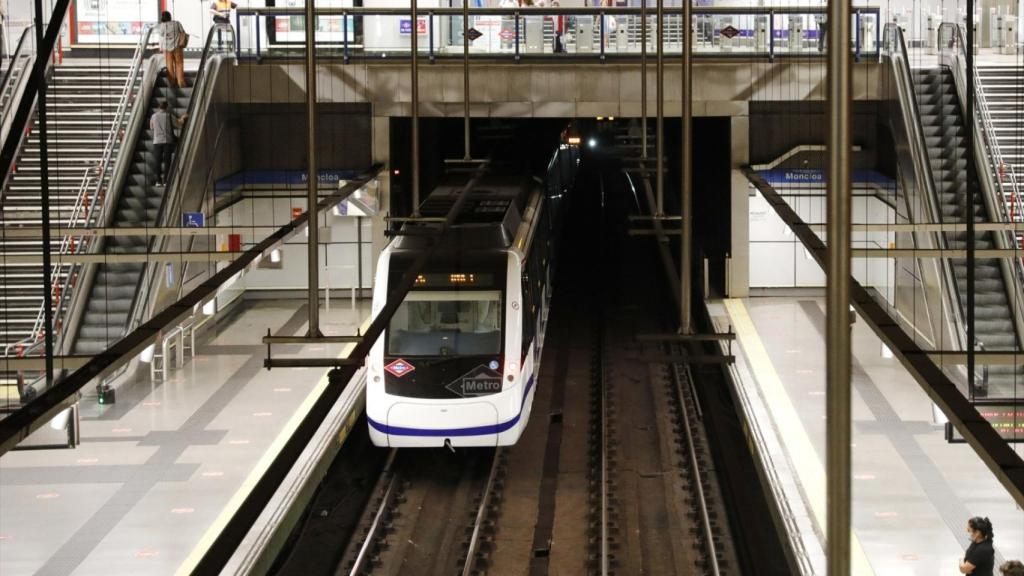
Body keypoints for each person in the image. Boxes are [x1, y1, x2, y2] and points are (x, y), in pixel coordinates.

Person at [150, 101, 185, 187]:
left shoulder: (153, 116)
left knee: (157, 161)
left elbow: (151, 127)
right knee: (167, 161)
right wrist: (183, 118)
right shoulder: (169, 116)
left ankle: (158, 181)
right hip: (167, 141)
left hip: (157, 141)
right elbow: (178, 124)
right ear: (167, 107)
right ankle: (165, 181)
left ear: (159, 107)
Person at [158, 11, 187, 88]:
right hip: (177, 47)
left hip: (167, 48)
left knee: (169, 65)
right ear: (170, 16)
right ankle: (181, 83)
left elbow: (161, 34)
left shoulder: (163, 25)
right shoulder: (177, 23)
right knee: (179, 64)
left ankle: (171, 83)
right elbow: (183, 32)